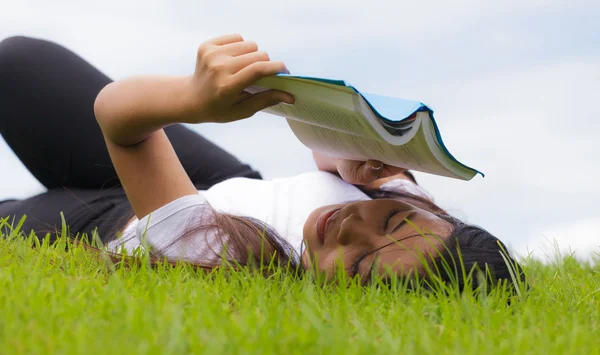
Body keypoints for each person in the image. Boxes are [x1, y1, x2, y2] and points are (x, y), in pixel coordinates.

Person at [0, 35, 523, 289]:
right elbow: (327, 154)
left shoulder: (218, 250)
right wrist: (348, 162)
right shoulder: (414, 213)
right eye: (390, 220)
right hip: (221, 181)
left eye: (361, 264)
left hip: (125, 214)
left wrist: (193, 100)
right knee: (21, 63)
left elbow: (120, 121)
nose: (353, 227)